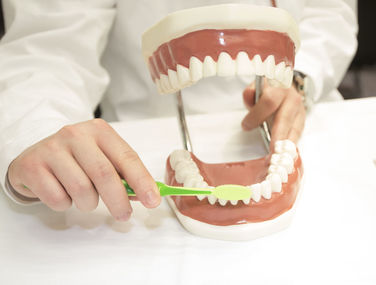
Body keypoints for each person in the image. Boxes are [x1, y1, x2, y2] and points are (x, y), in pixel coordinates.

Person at [0, 0, 357, 221]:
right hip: (147, 145)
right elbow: (50, 46)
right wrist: (37, 131)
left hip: (307, 133)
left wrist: (298, 77)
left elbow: (330, 11)